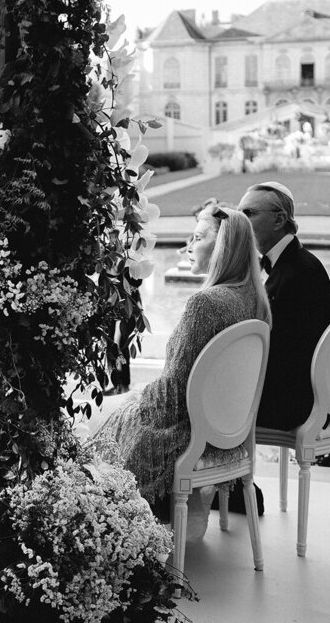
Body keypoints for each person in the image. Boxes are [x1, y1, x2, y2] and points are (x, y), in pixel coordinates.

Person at [94, 206, 271, 540]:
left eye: (199, 237)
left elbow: (172, 394)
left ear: (224, 245)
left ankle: (115, 534)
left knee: (101, 424)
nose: (189, 244)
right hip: (228, 433)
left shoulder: (205, 304)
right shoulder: (254, 299)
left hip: (188, 434)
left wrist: (136, 400)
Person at [239, 182, 330, 431]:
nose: (240, 220)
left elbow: (279, 349)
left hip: (290, 404)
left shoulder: (299, 272)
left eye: (248, 213)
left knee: (200, 404)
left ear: (279, 219)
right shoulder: (294, 263)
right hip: (294, 393)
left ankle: (216, 470)